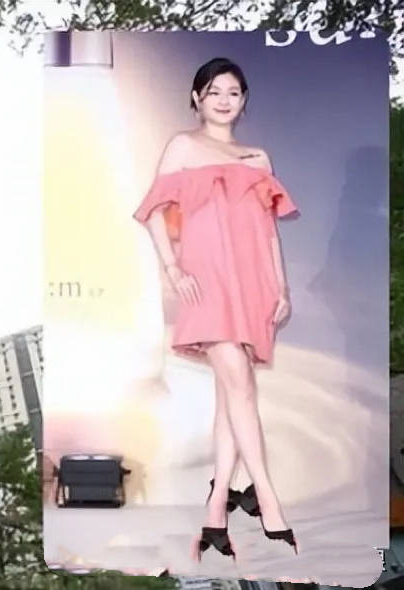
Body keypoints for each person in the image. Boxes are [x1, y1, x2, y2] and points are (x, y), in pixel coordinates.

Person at [132, 57, 299, 562]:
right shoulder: (182, 146)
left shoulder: (258, 157)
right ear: (196, 98)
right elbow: (154, 211)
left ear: (244, 101)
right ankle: (268, 500)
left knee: (232, 395)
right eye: (214, 91)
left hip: (254, 282)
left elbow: (268, 231)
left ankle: (215, 511)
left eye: (234, 92)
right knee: (241, 385)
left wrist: (282, 288)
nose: (224, 100)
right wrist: (172, 268)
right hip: (206, 279)